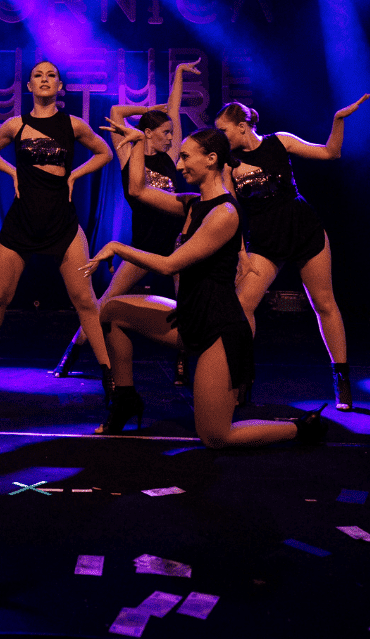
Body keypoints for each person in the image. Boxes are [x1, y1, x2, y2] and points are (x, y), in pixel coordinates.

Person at [82, 127, 328, 447]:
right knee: (112, 311)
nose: (179, 165)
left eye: (185, 157)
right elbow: (138, 190)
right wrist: (141, 143)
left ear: (211, 159)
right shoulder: (191, 204)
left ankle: (300, 429)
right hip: (188, 317)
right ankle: (125, 400)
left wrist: (117, 247)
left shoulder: (224, 214)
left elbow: (170, 265)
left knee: (215, 436)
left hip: (218, 329)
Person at [0, 60, 113, 405]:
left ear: (60, 86)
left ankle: (109, 377)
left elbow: (104, 152)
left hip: (61, 220)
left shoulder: (73, 125)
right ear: (29, 86)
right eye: (38, 76)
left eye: (51, 75)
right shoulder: (15, 125)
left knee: (85, 300)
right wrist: (13, 172)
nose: (45, 79)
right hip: (23, 219)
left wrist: (74, 175)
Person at [214, 95, 369, 410]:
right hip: (265, 238)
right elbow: (232, 213)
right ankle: (243, 378)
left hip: (302, 228)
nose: (221, 137)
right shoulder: (229, 164)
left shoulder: (279, 142)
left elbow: (330, 152)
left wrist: (338, 119)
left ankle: (341, 379)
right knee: (242, 304)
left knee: (324, 303)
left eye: (224, 130)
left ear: (242, 126)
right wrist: (241, 254)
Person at [56, 58, 200, 384]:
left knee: (184, 305)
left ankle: (182, 364)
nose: (171, 138)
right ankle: (71, 353)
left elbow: (174, 111)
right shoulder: (129, 152)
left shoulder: (170, 156)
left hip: (177, 244)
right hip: (144, 245)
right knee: (107, 300)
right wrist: (150, 110)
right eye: (165, 132)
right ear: (147, 133)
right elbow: (117, 112)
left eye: (172, 133)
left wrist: (177, 74)